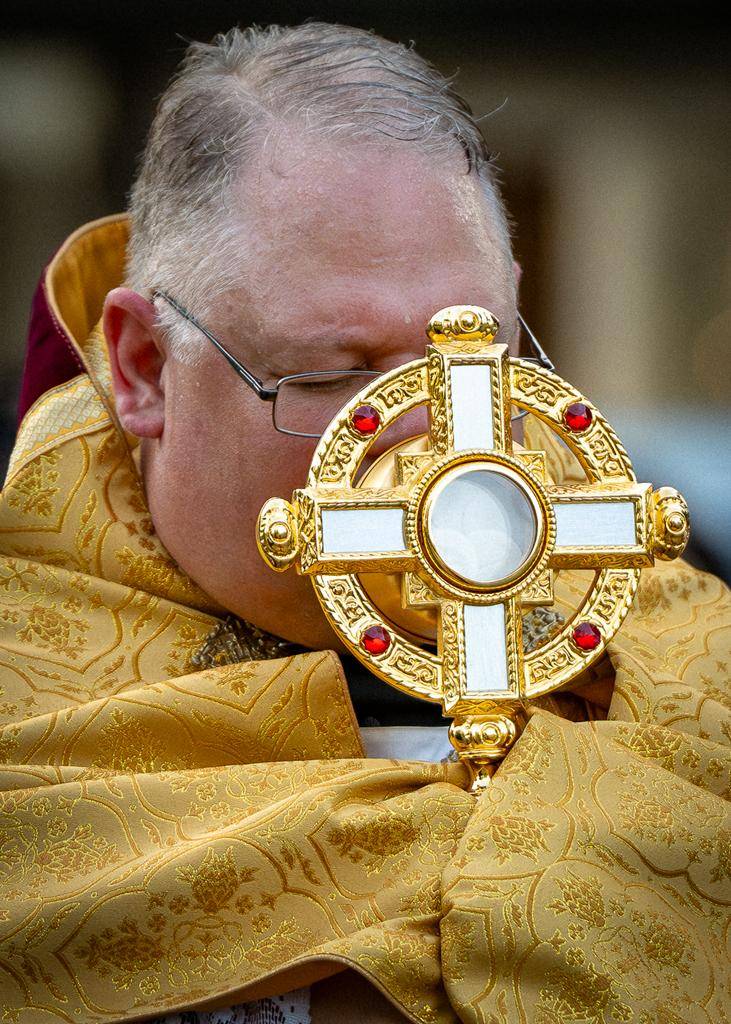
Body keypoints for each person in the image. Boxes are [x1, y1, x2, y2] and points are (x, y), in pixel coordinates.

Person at [1, 21, 729, 1024]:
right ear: (141, 367)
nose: (423, 454)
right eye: (333, 374)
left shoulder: (674, 639)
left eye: (472, 363)